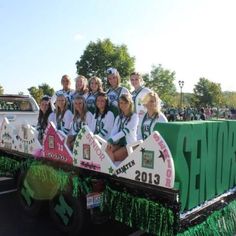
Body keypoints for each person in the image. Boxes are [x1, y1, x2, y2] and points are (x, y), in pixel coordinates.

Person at [106, 94, 138, 162]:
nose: (123, 105)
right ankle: (113, 170)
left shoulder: (135, 116)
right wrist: (110, 141)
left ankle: (113, 172)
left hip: (129, 145)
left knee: (114, 156)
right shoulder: (118, 117)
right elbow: (114, 130)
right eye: (121, 103)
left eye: (125, 102)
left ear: (130, 103)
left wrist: (112, 139)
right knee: (107, 150)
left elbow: (125, 131)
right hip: (119, 144)